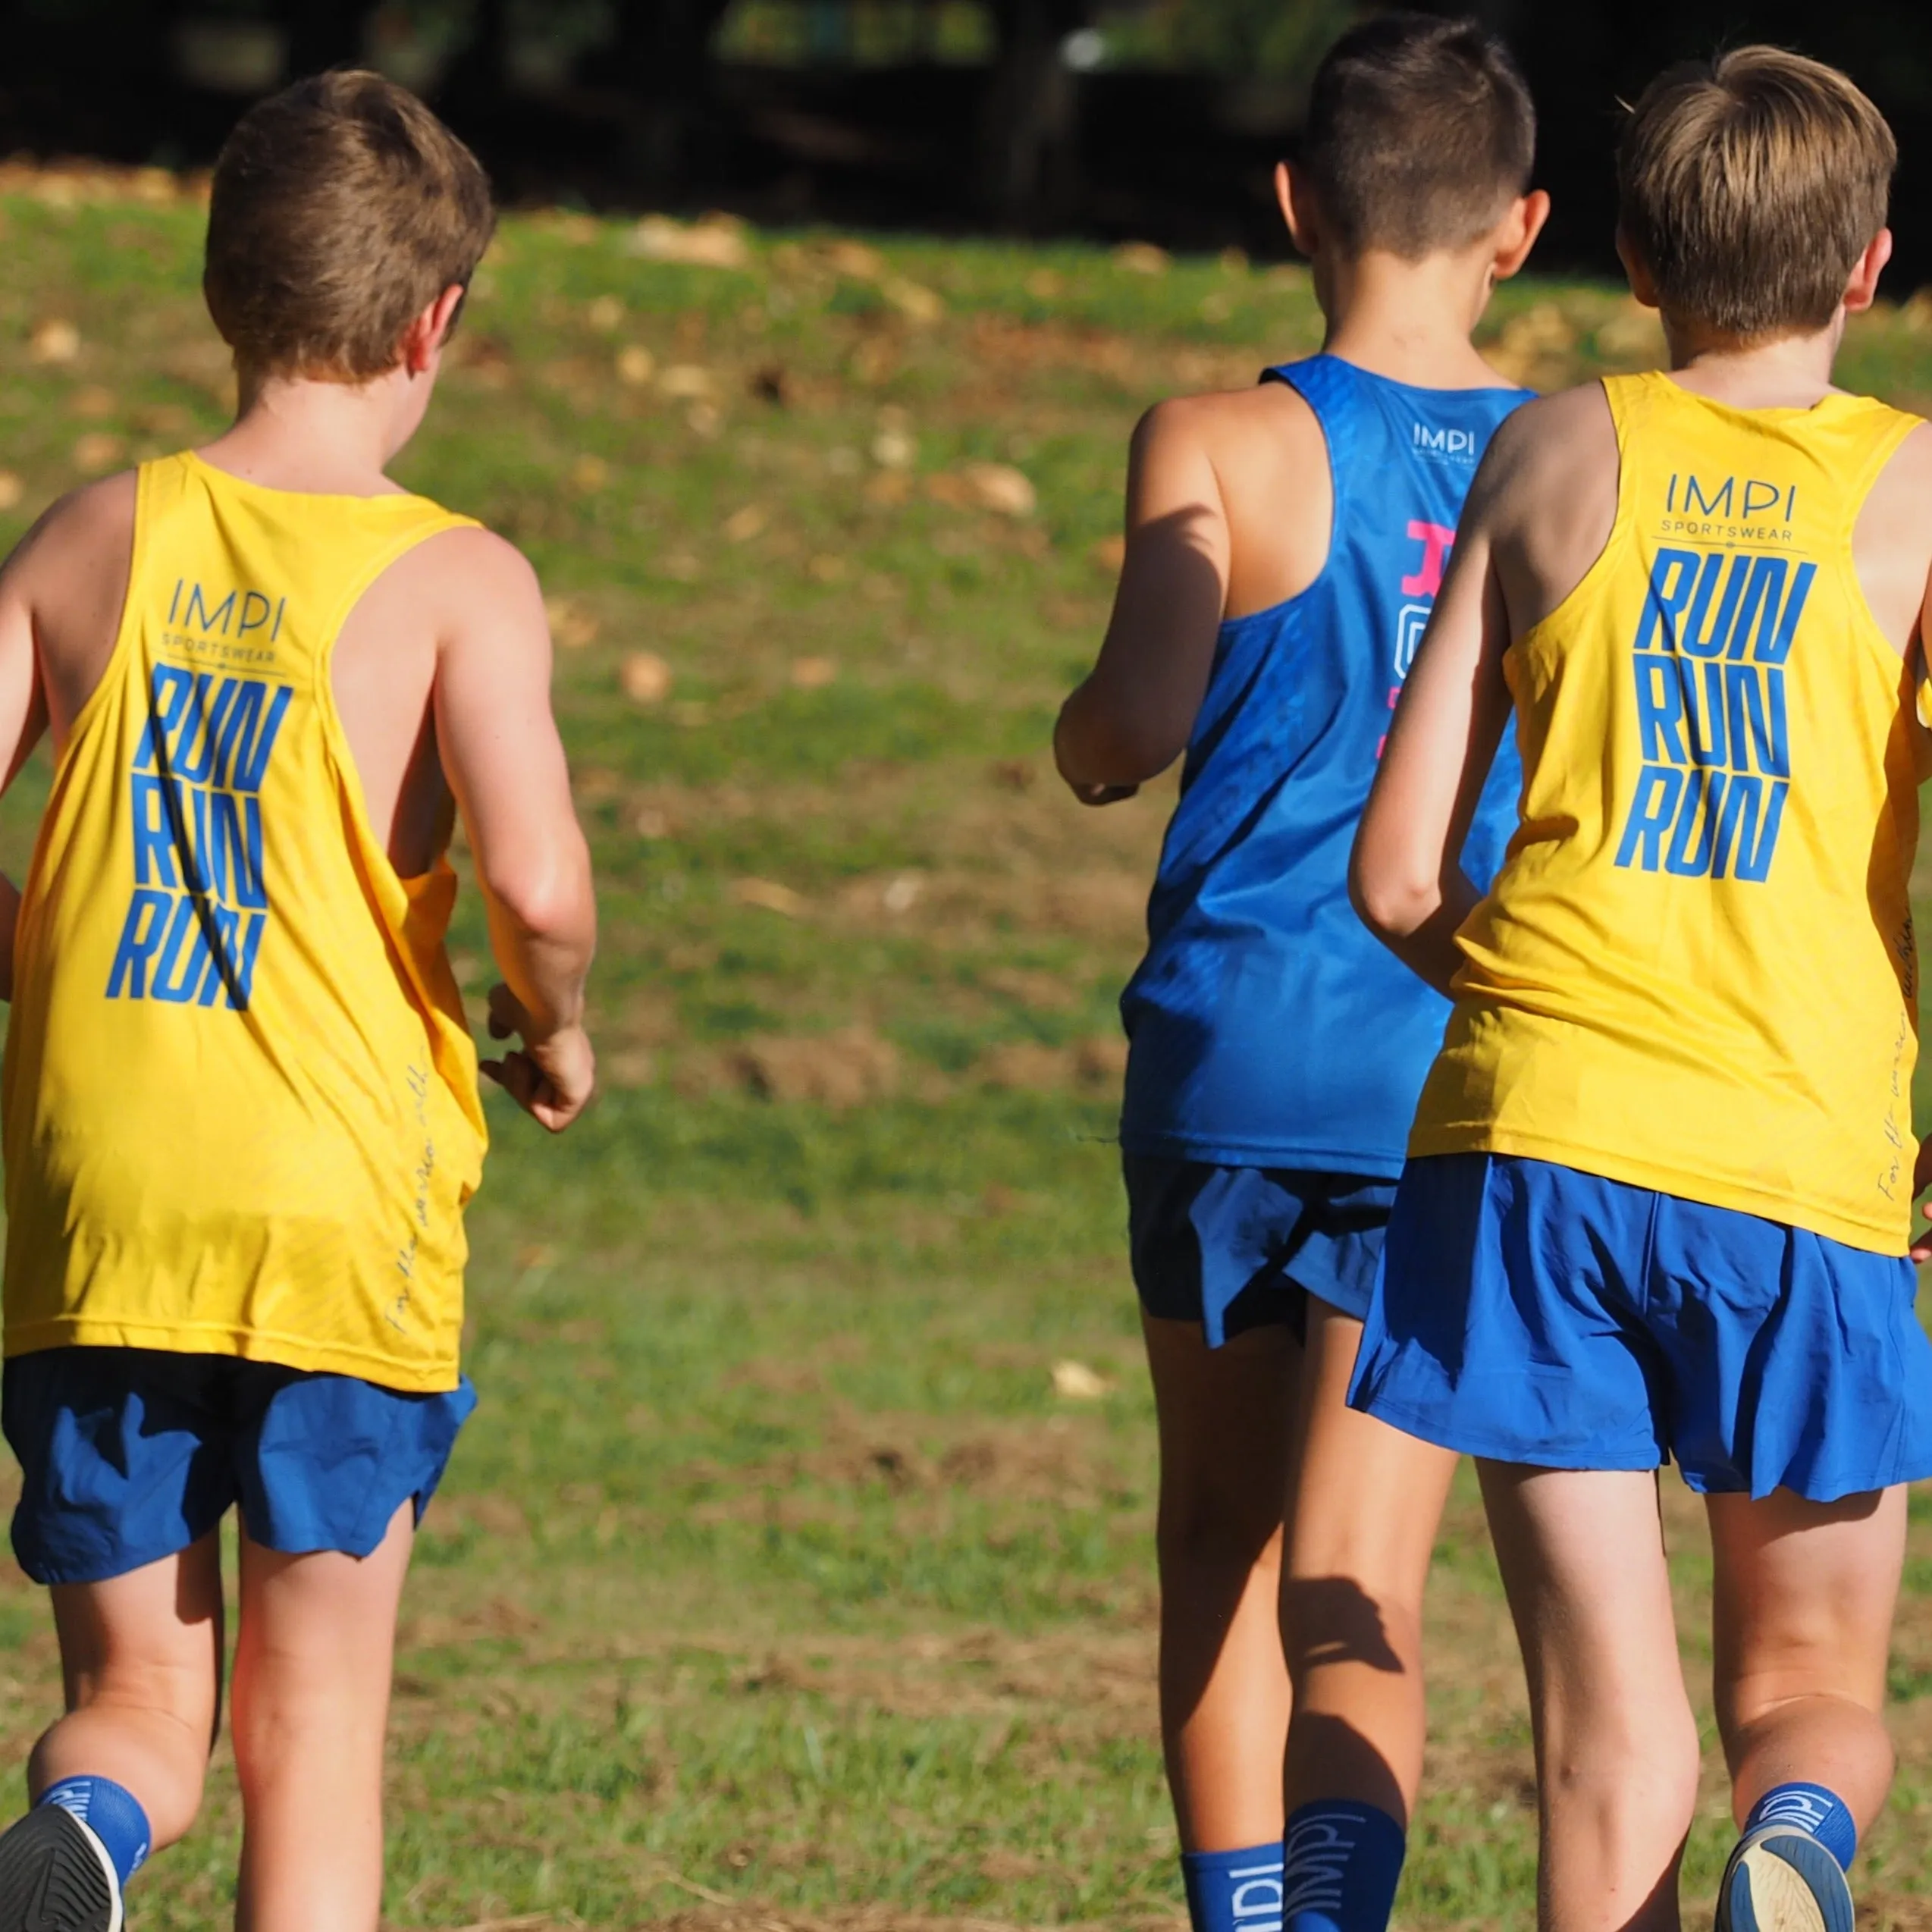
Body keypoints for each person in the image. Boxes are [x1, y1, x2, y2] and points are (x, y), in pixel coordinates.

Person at [0, 71, 596, 1932]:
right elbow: (542, 882)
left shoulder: (95, 532)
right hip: (339, 1218)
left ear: (218, 289)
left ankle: (80, 1842)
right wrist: (551, 1019)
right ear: (435, 321)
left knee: (138, 1701)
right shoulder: (460, 581)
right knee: (316, 1721)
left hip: (104, 1208)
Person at [1350, 45, 1932, 1932]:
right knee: (1814, 1691)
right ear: (1866, 271)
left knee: (1608, 1730)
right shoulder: (1917, 485)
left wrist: (1532, 998)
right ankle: (1801, 1850)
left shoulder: (1543, 446)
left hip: (1535, 1140)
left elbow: (1395, 869)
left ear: (1625, 253)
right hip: (1800, 1150)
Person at [1053, 17, 1547, 1932]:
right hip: (1446, 1074)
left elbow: (1135, 721)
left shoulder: (1218, 440)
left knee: (1214, 1543)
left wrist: (1079, 736)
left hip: (1227, 1068)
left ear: (1289, 203)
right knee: (1363, 1589)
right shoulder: (1565, 449)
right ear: (1514, 229)